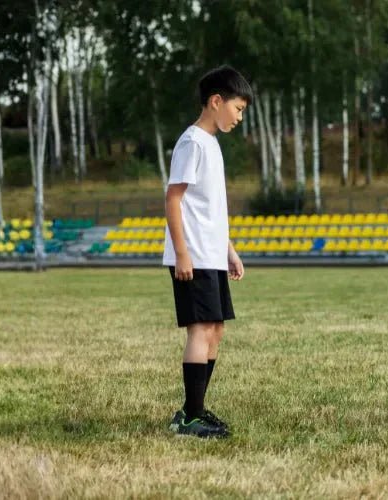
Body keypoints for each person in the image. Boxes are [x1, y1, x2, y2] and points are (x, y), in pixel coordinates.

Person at [163, 65, 252, 438]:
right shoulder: (192, 143)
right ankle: (190, 418)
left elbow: (211, 207)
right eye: (238, 108)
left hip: (212, 254)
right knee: (200, 330)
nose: (240, 117)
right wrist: (182, 253)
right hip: (194, 255)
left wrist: (228, 250)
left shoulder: (212, 145)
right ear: (216, 101)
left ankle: (193, 409)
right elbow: (173, 198)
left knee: (215, 330)